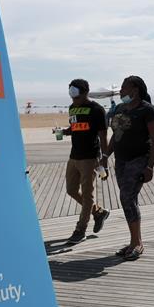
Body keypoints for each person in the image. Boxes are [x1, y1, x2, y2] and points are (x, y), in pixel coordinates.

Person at [104, 76, 154, 260]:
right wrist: (105, 156)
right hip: (121, 160)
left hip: (139, 159)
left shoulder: (148, 110)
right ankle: (134, 241)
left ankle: (137, 243)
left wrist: (150, 167)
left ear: (135, 90)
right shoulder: (120, 108)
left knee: (126, 197)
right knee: (129, 199)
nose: (121, 91)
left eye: (123, 88)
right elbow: (116, 135)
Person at [61, 79, 110, 244]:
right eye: (72, 97)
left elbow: (103, 136)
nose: (74, 100)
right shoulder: (72, 108)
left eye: (76, 97)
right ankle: (98, 212)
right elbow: (75, 127)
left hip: (90, 158)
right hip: (74, 156)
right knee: (71, 190)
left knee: (87, 195)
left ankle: (80, 230)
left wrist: (104, 160)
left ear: (85, 93)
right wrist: (65, 131)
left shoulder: (97, 110)